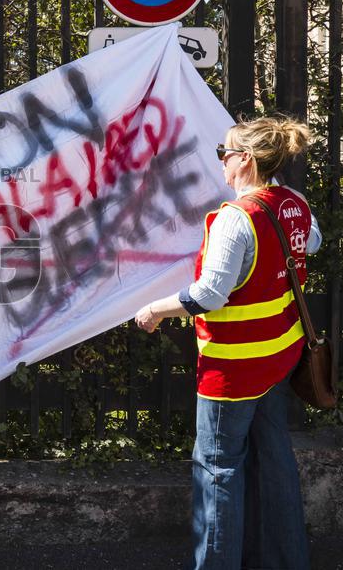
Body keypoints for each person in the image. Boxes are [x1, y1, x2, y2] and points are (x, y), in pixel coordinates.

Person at [133, 116, 319, 570]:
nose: (221, 161)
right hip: (281, 356)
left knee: (217, 470)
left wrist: (155, 309)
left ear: (245, 160)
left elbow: (209, 296)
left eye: (225, 153)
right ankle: (285, 560)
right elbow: (310, 243)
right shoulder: (292, 202)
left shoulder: (236, 218)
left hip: (234, 370)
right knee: (274, 457)